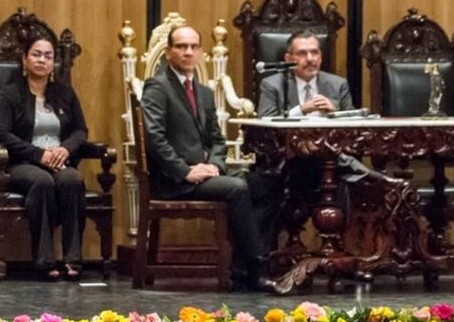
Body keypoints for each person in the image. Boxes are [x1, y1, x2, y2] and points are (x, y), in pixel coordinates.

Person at [140, 25, 276, 292]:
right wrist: (185, 171)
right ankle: (257, 266)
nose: (188, 52)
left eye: (193, 47)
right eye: (181, 46)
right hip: (175, 181)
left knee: (266, 184)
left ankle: (240, 267)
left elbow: (217, 139)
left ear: (201, 52)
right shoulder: (157, 86)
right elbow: (154, 139)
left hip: (205, 173)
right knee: (236, 188)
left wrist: (216, 164)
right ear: (169, 52)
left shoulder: (203, 92)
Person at [254, 30, 377, 250]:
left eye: (314, 53)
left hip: (328, 162)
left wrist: (334, 113)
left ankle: (345, 252)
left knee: (342, 184)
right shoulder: (272, 85)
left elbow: (353, 129)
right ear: (288, 59)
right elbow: (265, 122)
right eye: (302, 53)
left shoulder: (337, 84)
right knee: (346, 175)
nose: (310, 59)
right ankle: (363, 173)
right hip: (289, 164)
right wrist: (301, 109)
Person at [0, 37, 88, 281]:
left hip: (59, 161)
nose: (42, 60)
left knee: (72, 180)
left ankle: (73, 258)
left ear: (53, 62)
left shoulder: (64, 93)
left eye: (48, 56)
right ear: (25, 59)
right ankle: (44, 260)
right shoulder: (10, 93)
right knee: (42, 181)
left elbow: (80, 131)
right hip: (21, 164)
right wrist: (39, 155)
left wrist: (65, 149)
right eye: (36, 54)